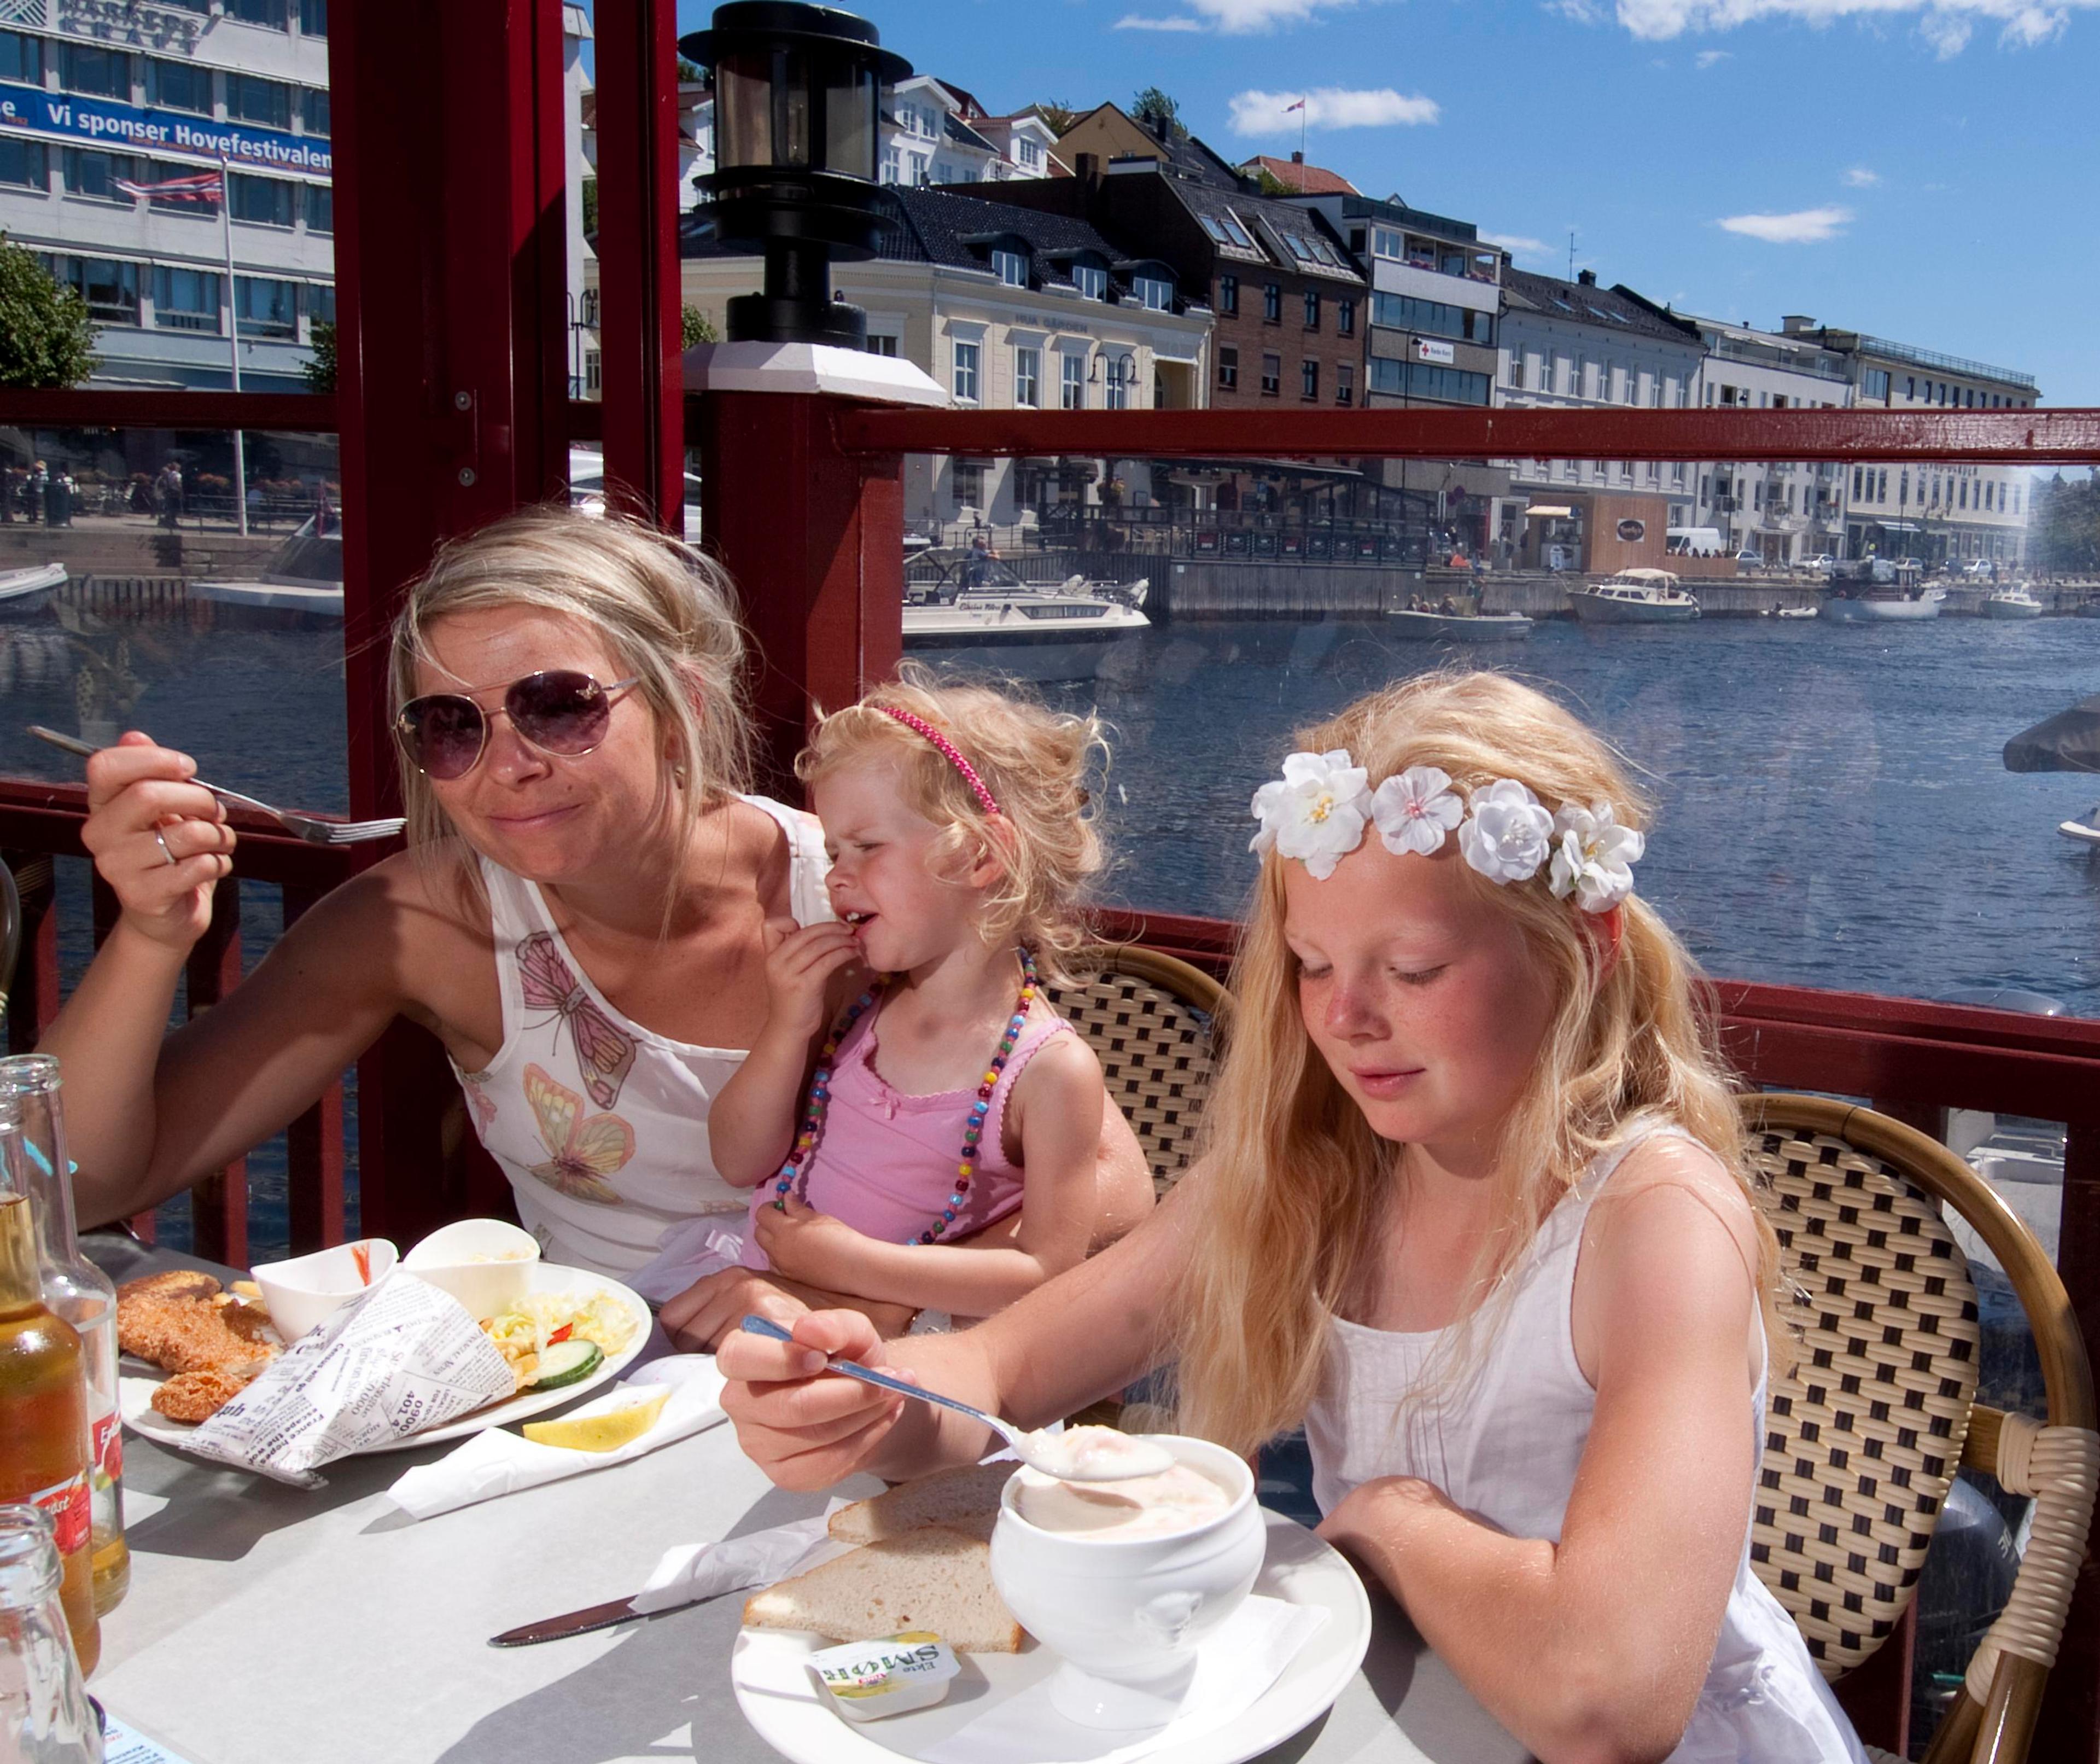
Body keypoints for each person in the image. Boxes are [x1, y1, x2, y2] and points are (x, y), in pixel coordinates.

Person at [720, 671, 1865, 1763]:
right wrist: (871, 1400)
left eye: (1413, 968)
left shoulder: (1654, 1220)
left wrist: (1389, 1517)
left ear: (1582, 948)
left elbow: (1608, 1699)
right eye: (1314, 965)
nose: (1349, 1018)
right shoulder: (1309, 1166)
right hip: (1397, 1708)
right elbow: (999, 1374)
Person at [39, 507, 1152, 1349]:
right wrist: (149, 933)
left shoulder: (854, 892)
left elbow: (1115, 1190)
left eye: (557, 703)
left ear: (682, 704)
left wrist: (846, 1285)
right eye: (451, 725)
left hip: (866, 1388)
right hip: (588, 1403)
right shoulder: (422, 923)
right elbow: (82, 1185)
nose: (507, 764)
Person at [675, 677, 1108, 1325]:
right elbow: (738, 1161)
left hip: (896, 1355)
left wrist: (850, 1265)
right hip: (751, 1298)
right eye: (832, 851)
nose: (836, 875)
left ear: (980, 856)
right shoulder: (855, 1002)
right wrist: (787, 1028)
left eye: (867, 846)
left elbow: (1047, 1274)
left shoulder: (1048, 1073)